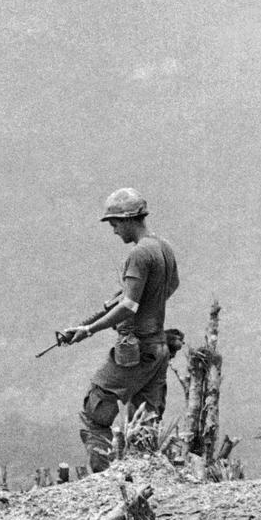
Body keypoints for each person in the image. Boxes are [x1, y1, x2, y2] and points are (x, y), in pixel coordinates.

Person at [62, 188, 180, 473]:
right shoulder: (163, 247)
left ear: (128, 219)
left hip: (135, 350)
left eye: (114, 223)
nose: (114, 230)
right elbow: (171, 286)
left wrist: (88, 329)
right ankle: (144, 478)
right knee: (144, 422)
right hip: (159, 349)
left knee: (96, 409)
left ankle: (105, 480)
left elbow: (128, 306)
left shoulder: (139, 254)